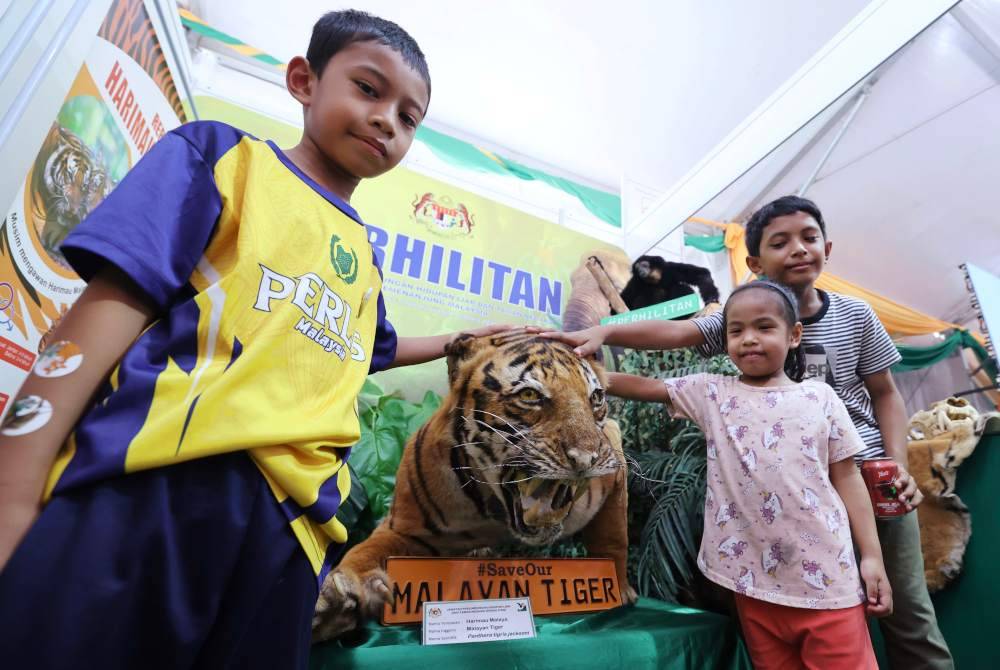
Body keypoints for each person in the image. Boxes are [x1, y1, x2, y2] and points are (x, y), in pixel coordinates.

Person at [0, 10, 508, 669]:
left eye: (410, 117)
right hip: (157, 491)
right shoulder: (222, 158)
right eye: (368, 88)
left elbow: (370, 351)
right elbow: (105, 314)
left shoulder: (363, 256)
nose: (388, 120)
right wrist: (14, 485)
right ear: (304, 80)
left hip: (291, 541)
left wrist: (458, 339)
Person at [544, 195, 953, 669]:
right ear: (755, 261)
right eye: (781, 242)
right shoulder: (739, 321)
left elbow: (886, 394)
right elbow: (676, 336)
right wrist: (606, 335)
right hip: (786, 508)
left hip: (864, 476)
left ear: (827, 247)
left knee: (908, 614)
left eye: (809, 237)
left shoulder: (856, 315)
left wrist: (896, 466)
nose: (798, 249)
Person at [609, 280, 890, 669]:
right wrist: (587, 375)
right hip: (751, 584)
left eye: (764, 327)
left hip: (827, 583)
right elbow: (647, 387)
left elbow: (848, 478)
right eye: (736, 330)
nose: (749, 339)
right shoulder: (712, 394)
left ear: (794, 335)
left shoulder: (820, 397)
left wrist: (872, 557)